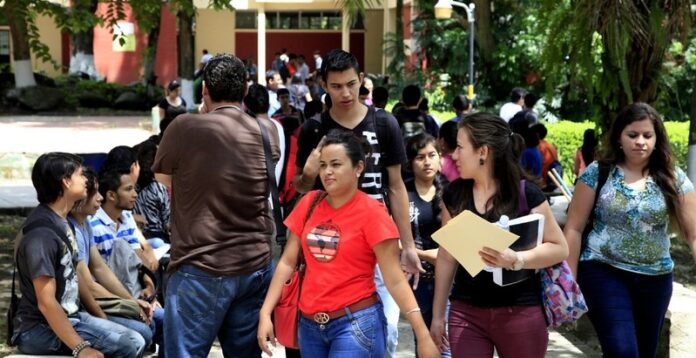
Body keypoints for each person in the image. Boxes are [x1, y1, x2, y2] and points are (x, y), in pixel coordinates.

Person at [258, 130, 440, 358]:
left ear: (358, 168)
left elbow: (394, 279)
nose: (327, 172)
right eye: (323, 165)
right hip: (309, 326)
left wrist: (422, 334)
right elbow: (286, 261)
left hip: (356, 325)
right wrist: (266, 313)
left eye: (336, 164)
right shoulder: (309, 203)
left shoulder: (373, 213)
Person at [292, 49, 423, 357]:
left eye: (351, 83)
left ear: (362, 80)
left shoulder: (385, 123)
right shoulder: (314, 128)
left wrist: (409, 244)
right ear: (324, 85)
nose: (346, 92)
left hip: (379, 243)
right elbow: (301, 190)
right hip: (332, 247)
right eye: (336, 86)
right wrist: (310, 172)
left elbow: (396, 187)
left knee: (387, 331)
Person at [153, 53, 280, 357]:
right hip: (255, 266)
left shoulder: (184, 127)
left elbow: (162, 177)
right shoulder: (267, 130)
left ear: (205, 90)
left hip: (201, 266)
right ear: (246, 91)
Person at [564, 102, 696, 358]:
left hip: (655, 279)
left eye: (648, 135)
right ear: (619, 138)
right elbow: (573, 228)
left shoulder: (673, 177)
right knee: (622, 351)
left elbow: (694, 234)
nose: (640, 142)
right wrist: (570, 281)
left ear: (657, 139)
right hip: (603, 270)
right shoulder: (597, 173)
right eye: (632, 135)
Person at [430, 113, 568, 358]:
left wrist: (517, 259)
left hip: (521, 312)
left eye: (460, 148)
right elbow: (447, 257)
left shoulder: (527, 194)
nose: (453, 155)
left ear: (482, 151)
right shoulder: (453, 195)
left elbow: (559, 248)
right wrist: (438, 315)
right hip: (466, 311)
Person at [11, 152, 145, 357]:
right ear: (66, 182)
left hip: (73, 315)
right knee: (126, 345)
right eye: (81, 175)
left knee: (137, 338)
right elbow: (46, 302)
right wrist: (81, 348)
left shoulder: (64, 222)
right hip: (38, 329)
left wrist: (105, 316)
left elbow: (79, 279)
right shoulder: (42, 235)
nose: (86, 180)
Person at [68, 167, 156, 351]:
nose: (100, 198)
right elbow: (89, 286)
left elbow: (100, 268)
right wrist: (128, 306)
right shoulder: (72, 229)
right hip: (82, 308)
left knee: (153, 325)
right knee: (142, 334)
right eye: (92, 192)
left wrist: (131, 302)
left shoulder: (85, 225)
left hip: (97, 302)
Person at [404, 134, 451, 358]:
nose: (427, 162)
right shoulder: (402, 193)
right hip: (416, 282)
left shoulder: (452, 192)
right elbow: (394, 239)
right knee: (423, 344)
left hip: (449, 280)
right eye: (420, 157)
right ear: (410, 162)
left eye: (432, 155)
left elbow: (454, 248)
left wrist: (415, 252)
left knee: (447, 345)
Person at [133, 140, 170, 246]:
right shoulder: (159, 188)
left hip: (135, 237)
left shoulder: (128, 187)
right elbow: (167, 223)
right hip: (158, 237)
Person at [531, 123, 558, 189]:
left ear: (536, 134)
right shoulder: (551, 146)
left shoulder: (537, 147)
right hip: (552, 182)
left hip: (541, 184)